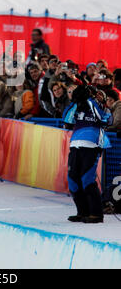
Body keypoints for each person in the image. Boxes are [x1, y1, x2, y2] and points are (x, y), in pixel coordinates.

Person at [63, 85, 112, 224]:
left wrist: (92, 101)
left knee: (87, 180)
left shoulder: (97, 106)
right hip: (75, 145)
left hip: (91, 147)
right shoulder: (78, 106)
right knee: (73, 181)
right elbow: (67, 120)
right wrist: (75, 101)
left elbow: (106, 120)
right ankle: (82, 212)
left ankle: (96, 214)